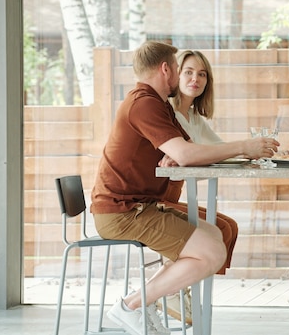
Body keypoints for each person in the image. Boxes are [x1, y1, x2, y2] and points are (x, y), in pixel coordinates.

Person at [90, 40, 279, 335]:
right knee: (212, 251)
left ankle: (148, 301)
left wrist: (179, 156)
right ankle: (132, 305)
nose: (181, 76)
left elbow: (187, 151)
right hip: (124, 212)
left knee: (215, 233)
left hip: (140, 206)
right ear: (166, 69)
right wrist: (244, 146)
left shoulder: (157, 103)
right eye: (179, 68)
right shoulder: (144, 103)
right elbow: (188, 155)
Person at [158, 49, 240, 324]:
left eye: (202, 74)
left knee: (228, 228)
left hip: (173, 194)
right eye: (189, 72)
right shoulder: (167, 114)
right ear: (176, 75)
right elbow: (190, 157)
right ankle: (171, 289)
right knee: (218, 230)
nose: (196, 78)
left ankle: (179, 286)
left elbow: (218, 150)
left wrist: (253, 151)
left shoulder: (193, 118)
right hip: (155, 198)